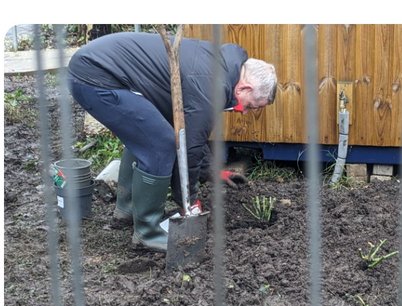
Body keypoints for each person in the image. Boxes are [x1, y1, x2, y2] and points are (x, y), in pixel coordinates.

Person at [67, 31, 277, 250]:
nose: (244, 112)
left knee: (148, 133)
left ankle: (127, 211)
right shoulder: (212, 85)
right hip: (96, 77)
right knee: (160, 144)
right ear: (245, 88)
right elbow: (190, 148)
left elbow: (194, 132)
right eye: (250, 106)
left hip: (96, 67)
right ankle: (147, 233)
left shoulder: (222, 67)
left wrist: (211, 170)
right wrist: (189, 202)